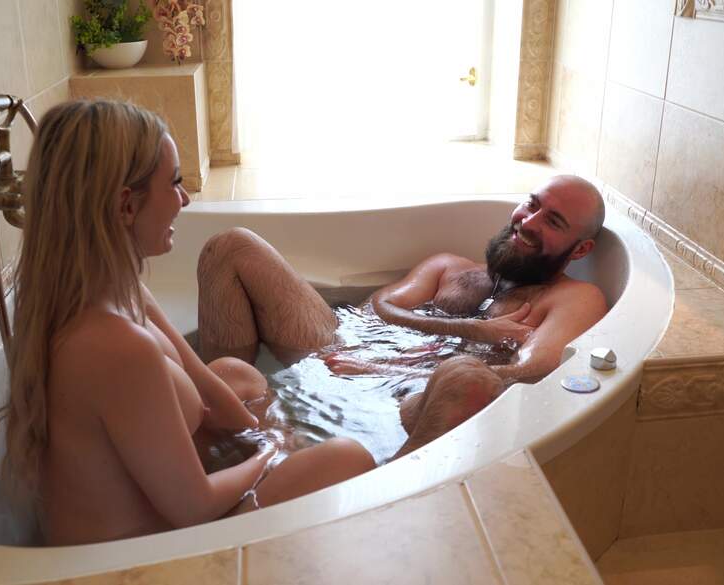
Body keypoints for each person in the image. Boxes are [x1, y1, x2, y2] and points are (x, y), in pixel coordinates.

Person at [0, 100, 374, 546]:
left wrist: (266, 435)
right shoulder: (112, 347)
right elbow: (195, 508)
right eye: (175, 183)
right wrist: (271, 455)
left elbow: (207, 389)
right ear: (125, 206)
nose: (186, 199)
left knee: (234, 374)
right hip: (138, 560)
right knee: (346, 459)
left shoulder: (118, 295)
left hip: (164, 517)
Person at [198, 175, 608, 457]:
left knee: (467, 378)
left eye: (553, 221)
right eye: (532, 204)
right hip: (340, 345)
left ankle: (377, 494)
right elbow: (379, 306)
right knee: (232, 246)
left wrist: (387, 371)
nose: (528, 222)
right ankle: (219, 410)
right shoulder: (450, 267)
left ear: (580, 249)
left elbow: (530, 371)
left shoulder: (573, 297)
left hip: (408, 398)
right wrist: (470, 327)